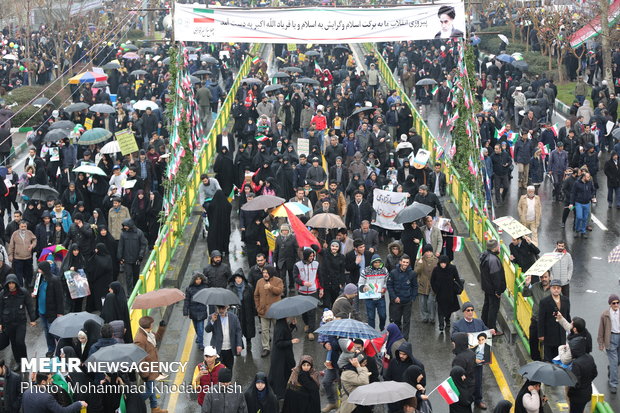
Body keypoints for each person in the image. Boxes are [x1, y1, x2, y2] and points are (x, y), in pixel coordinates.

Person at [134, 316, 168, 413]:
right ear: (149, 325)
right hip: (148, 370)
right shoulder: (140, 339)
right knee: (150, 390)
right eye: (152, 323)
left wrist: (161, 328)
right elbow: (139, 358)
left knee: (151, 388)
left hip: (152, 368)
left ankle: (154, 407)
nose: (153, 324)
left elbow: (156, 339)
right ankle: (136, 403)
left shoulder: (148, 334)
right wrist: (145, 374)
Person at [0, 273, 36, 364]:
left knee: (20, 342)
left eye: (13, 283)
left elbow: (30, 306)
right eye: (9, 283)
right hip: (8, 323)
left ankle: (24, 361)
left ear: (16, 283)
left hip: (20, 322)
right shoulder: (3, 294)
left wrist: (32, 319)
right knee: (14, 344)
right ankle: (18, 362)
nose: (11, 285)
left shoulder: (23, 292)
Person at [33, 261, 64, 356]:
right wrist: (34, 294)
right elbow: (37, 289)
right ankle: (51, 349)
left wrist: (60, 312)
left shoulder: (55, 280)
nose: (38, 270)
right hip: (42, 311)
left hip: (52, 311)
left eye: (40, 269)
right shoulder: (39, 278)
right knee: (47, 332)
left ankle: (62, 349)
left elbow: (59, 297)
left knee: (55, 332)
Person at [538, 279, 571, 362]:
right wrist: (541, 334)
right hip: (549, 333)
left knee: (560, 356)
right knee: (549, 357)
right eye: (554, 288)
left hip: (561, 333)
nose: (556, 289)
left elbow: (567, 315)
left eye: (558, 288)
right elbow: (541, 319)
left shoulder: (566, 300)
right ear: (550, 288)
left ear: (561, 289)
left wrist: (570, 329)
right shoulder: (544, 302)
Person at [254, 266, 283, 358]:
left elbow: (279, 291)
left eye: (266, 272)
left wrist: (271, 287)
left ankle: (278, 346)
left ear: (270, 272)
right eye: (263, 273)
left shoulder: (278, 280)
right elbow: (256, 295)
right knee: (264, 330)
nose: (265, 274)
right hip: (263, 311)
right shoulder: (259, 282)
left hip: (275, 311)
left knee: (277, 330)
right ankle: (266, 348)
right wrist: (258, 307)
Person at [294, 248, 323, 341]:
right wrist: (303, 283)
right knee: (304, 311)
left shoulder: (316, 264)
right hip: (302, 291)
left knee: (312, 311)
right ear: (306, 256)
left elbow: (320, 277)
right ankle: (306, 323)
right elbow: (295, 278)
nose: (312, 257)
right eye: (310, 256)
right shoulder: (297, 265)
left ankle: (311, 331)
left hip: (313, 291)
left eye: (313, 256)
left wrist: (321, 289)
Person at [522, 272, 551, 361]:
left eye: (546, 277)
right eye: (542, 277)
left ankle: (547, 361)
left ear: (549, 277)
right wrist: (527, 284)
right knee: (533, 342)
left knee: (548, 344)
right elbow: (525, 294)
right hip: (536, 320)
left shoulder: (554, 288)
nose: (544, 279)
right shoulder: (535, 286)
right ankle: (536, 360)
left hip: (548, 322)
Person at [387, 254, 417, 338]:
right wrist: (394, 297)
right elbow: (389, 285)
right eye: (404, 262)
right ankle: (397, 337)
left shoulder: (412, 273)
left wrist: (413, 298)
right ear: (400, 262)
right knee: (397, 321)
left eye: (407, 262)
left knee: (407, 321)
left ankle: (405, 338)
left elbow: (415, 286)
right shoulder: (393, 273)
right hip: (397, 302)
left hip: (407, 302)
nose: (405, 264)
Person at [205, 305, 243, 370]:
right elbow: (207, 330)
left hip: (230, 349)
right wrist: (212, 321)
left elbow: (238, 331)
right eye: (219, 308)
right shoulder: (212, 317)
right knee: (219, 370)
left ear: (227, 307)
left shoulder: (234, 317)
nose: (221, 310)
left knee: (229, 369)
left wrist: (239, 344)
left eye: (223, 308)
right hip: (218, 349)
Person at [269, 318, 299, 400]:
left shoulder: (282, 323)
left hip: (284, 355)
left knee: (285, 373)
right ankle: (280, 395)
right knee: (280, 376)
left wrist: (292, 325)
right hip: (280, 357)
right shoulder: (280, 326)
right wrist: (291, 341)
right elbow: (278, 342)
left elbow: (286, 334)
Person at [480, 239, 505, 334]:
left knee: (486, 306)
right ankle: (492, 329)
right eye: (498, 246)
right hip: (493, 290)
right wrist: (498, 291)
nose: (499, 248)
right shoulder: (493, 260)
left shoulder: (485, 255)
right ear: (494, 248)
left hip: (487, 287)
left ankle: (484, 325)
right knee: (493, 310)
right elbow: (496, 278)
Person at [567, 336, 598, 413]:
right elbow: (595, 373)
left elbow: (575, 383)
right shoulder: (590, 357)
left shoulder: (576, 363)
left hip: (577, 396)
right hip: (587, 391)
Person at [597, 294, 620, 393]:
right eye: (613, 303)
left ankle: (611, 369)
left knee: (617, 362)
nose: (616, 304)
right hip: (610, 339)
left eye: (617, 302)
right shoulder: (605, 315)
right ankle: (613, 384)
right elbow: (601, 329)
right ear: (610, 304)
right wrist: (601, 343)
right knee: (614, 362)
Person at [431, 255, 461, 332]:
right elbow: (432, 280)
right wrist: (435, 289)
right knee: (440, 309)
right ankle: (441, 324)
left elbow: (457, 278)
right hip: (440, 292)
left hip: (450, 293)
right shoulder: (436, 270)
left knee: (449, 309)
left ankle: (447, 320)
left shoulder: (452, 268)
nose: (443, 265)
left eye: (444, 263)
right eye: (441, 263)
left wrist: (460, 288)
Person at [228, 269, 256, 351]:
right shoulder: (230, 288)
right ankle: (239, 345)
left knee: (248, 328)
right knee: (238, 328)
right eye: (236, 278)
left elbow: (252, 300)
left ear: (243, 278)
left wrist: (254, 311)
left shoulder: (249, 287)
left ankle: (248, 342)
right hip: (236, 312)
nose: (238, 280)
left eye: (239, 278)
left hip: (247, 311)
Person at [117, 219, 147, 294]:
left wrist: (141, 255)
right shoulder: (123, 234)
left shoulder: (139, 233)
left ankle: (136, 290)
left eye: (126, 226)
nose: (125, 227)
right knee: (128, 276)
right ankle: (130, 292)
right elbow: (121, 246)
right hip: (127, 259)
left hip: (137, 259)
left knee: (136, 275)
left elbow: (143, 245)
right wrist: (119, 257)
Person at [183, 272, 209, 351]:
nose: (198, 280)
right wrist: (185, 312)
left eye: (199, 279)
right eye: (197, 279)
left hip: (201, 310)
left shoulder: (205, 287)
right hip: (193, 311)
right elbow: (186, 300)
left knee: (200, 328)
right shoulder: (189, 289)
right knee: (196, 328)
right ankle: (199, 338)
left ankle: (200, 344)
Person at [8, 220, 36, 287]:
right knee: (18, 274)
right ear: (19, 226)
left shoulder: (29, 233)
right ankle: (20, 286)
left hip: (28, 257)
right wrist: (10, 255)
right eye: (22, 226)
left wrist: (32, 245)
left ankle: (28, 285)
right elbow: (11, 245)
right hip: (18, 258)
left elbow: (34, 239)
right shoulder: (15, 234)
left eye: (25, 226)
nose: (23, 228)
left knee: (28, 273)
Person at [415, 244, 438, 324]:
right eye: (427, 251)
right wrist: (420, 263)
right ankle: (424, 317)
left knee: (431, 302)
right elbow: (416, 272)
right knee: (422, 302)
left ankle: (432, 318)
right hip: (422, 284)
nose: (428, 253)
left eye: (430, 251)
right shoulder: (420, 260)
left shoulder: (436, 260)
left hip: (433, 284)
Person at [273, 224, 299, 293]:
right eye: (283, 230)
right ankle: (283, 289)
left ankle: (291, 286)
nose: (284, 232)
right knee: (282, 276)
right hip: (281, 261)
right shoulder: (278, 238)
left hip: (291, 260)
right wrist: (274, 260)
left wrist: (297, 259)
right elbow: (276, 250)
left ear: (288, 231)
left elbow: (296, 249)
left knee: (291, 274)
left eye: (286, 230)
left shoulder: (293, 238)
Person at [569, 172, 595, 238]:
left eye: (589, 177)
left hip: (587, 203)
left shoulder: (590, 183)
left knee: (585, 218)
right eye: (587, 177)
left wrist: (591, 196)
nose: (589, 178)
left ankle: (583, 231)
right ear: (583, 177)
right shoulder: (577, 183)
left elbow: (593, 190)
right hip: (579, 203)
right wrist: (571, 203)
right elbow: (573, 193)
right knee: (579, 217)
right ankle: (577, 230)